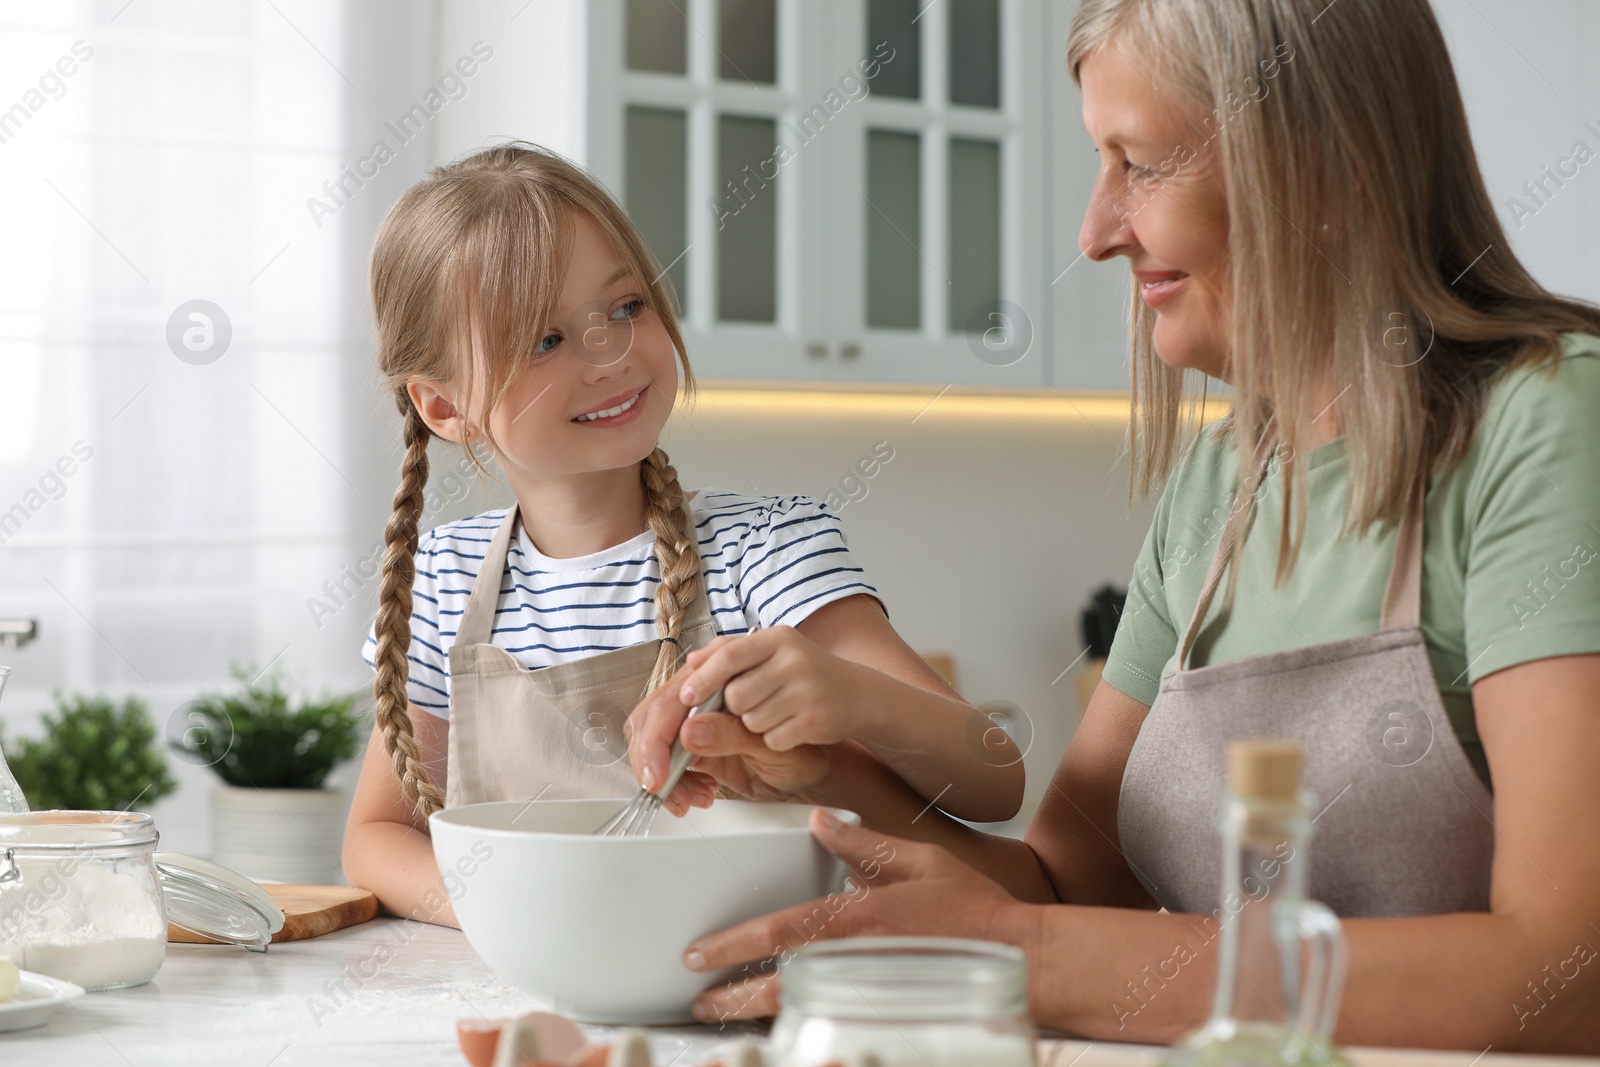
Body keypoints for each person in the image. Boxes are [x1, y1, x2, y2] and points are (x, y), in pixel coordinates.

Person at [628, 0, 1600, 1050]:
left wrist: (1021, 955)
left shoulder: (1545, 425)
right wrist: (824, 767)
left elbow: (1561, 971)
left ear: (1319, 166)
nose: (1094, 233)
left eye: (1136, 164)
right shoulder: (1220, 479)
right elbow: (1059, 881)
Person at [340, 145, 1023, 926]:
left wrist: (852, 699)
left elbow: (996, 780)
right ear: (441, 406)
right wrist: (515, 914)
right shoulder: (448, 577)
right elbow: (377, 835)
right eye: (544, 340)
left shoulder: (766, 552)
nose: (607, 353)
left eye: (625, 307)